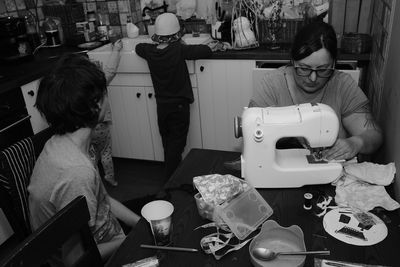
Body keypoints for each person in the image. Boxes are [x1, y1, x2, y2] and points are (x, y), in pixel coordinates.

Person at [28, 54, 141, 265]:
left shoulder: (66, 142)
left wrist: (140, 224)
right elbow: (76, 261)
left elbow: (102, 199)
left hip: (106, 233)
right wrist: (130, 240)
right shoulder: (76, 173)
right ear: (95, 105)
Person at [249, 20, 382, 161]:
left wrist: (356, 143)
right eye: (304, 68)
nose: (313, 78)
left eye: (323, 69)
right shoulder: (272, 86)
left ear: (335, 63)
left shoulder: (343, 85)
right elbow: (251, 133)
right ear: (292, 60)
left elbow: (374, 135)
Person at [135, 12, 213, 179]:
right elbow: (205, 50)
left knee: (168, 142)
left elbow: (138, 48)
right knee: (177, 145)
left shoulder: (149, 51)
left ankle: (171, 176)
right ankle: (170, 181)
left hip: (162, 106)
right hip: (179, 106)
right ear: (177, 35)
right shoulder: (178, 49)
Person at [91, 40, 122, 187]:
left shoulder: (77, 90)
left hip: (86, 127)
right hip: (101, 125)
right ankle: (110, 177)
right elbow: (111, 69)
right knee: (105, 152)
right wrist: (116, 49)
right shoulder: (100, 83)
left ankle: (94, 182)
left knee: (91, 155)